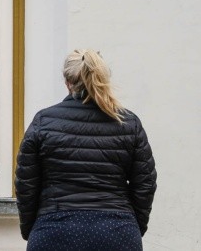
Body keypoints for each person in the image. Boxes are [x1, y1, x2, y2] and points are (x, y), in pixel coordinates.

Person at [15, 49, 157, 251]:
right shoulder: (128, 122)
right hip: (116, 231)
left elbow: (26, 185)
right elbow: (145, 183)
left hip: (54, 231)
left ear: (67, 83)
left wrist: (34, 228)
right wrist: (132, 226)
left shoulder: (43, 121)